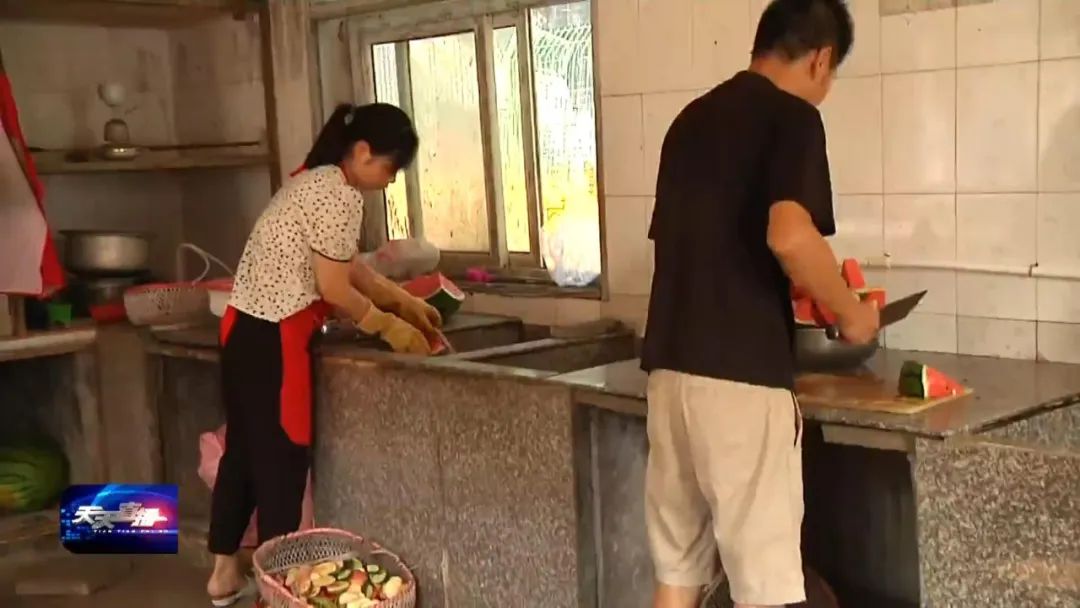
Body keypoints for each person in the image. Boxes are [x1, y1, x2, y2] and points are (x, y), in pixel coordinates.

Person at [640, 1, 879, 607]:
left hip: (669, 375)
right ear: (821, 59)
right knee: (765, 589)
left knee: (678, 572)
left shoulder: (690, 121)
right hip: (740, 386)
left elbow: (702, 245)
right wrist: (851, 313)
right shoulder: (793, 117)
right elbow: (790, 236)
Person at [205, 103, 443, 606]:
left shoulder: (314, 180)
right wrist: (386, 325)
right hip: (276, 334)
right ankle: (279, 592)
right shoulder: (338, 194)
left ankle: (224, 574)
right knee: (282, 461)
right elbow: (333, 286)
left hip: (242, 329)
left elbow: (348, 267)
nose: (390, 180)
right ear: (363, 152)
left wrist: (402, 302)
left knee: (245, 452)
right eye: (390, 168)